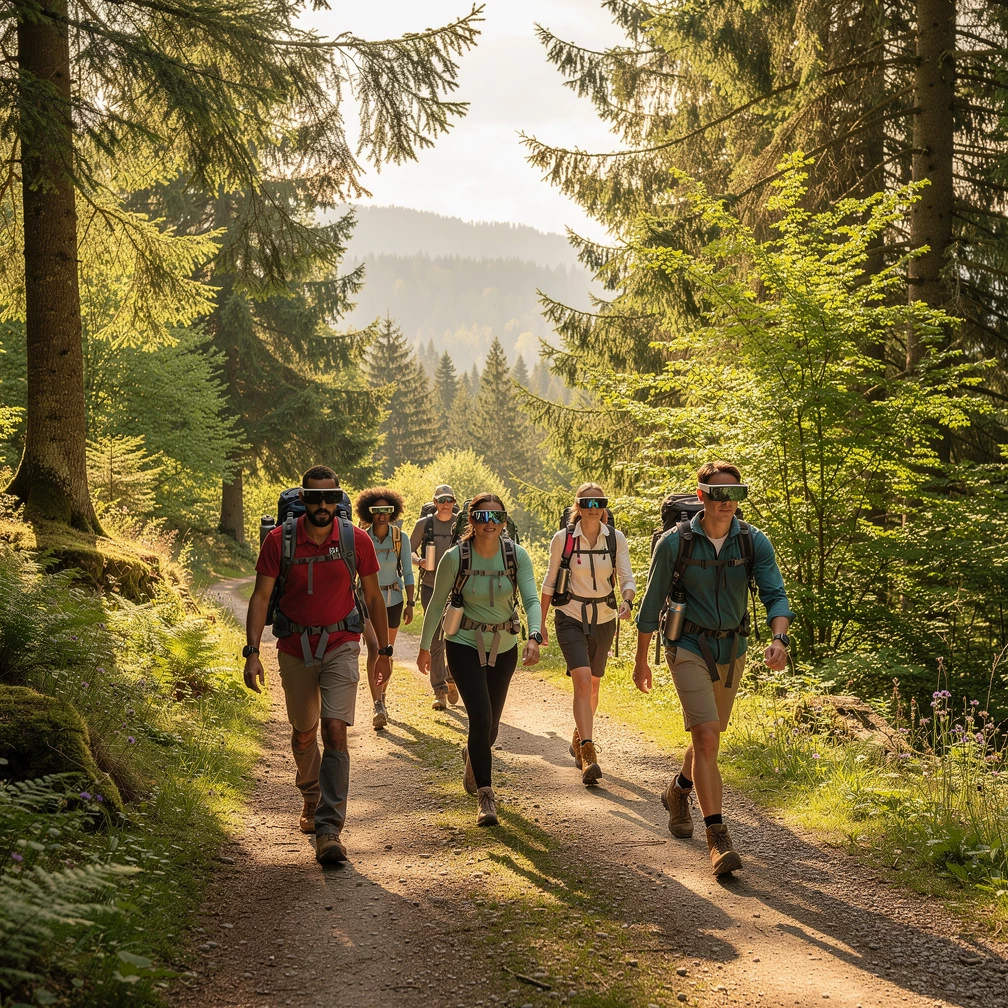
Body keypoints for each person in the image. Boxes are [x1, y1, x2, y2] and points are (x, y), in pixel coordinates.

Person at [633, 461, 794, 876]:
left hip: (732, 648)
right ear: (702, 495)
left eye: (735, 493)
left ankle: (678, 789)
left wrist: (779, 639)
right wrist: (640, 659)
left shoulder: (753, 542)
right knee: (705, 736)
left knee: (711, 735)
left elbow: (775, 594)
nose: (728, 503)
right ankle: (717, 838)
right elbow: (651, 606)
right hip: (686, 645)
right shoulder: (675, 543)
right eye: (719, 494)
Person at [244, 465, 391, 865]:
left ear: (340, 500)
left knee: (335, 730)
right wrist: (252, 651)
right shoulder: (279, 541)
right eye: (314, 497)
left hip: (342, 643)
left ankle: (329, 830)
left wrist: (386, 652)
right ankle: (310, 794)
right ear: (303, 499)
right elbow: (260, 598)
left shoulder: (355, 540)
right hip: (294, 646)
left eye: (330, 497)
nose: (323, 504)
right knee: (304, 733)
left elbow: (375, 599)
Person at [416, 493, 542, 826]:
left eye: (497, 517)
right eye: (483, 517)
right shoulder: (455, 557)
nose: (490, 524)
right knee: (481, 716)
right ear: (471, 520)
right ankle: (486, 797)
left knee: (492, 725)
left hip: (505, 646)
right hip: (463, 643)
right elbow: (436, 603)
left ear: (504, 521)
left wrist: (535, 635)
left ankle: (473, 755)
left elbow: (530, 597)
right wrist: (426, 646)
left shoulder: (517, 556)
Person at [540, 483, 636, 786]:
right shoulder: (563, 539)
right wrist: (538, 625)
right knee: (581, 681)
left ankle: (580, 734)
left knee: (593, 685)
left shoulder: (615, 539)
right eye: (587, 502)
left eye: (599, 502)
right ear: (578, 506)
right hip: (569, 616)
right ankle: (588, 753)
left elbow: (626, 577)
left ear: (604, 506)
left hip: (605, 618)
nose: (593, 507)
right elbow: (550, 582)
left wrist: (628, 599)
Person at [355, 488, 415, 731]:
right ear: (369, 512)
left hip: (394, 600)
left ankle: (382, 694)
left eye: (386, 510)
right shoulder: (361, 537)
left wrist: (411, 603)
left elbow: (409, 572)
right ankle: (377, 703)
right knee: (374, 648)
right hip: (368, 601)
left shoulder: (401, 538)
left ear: (393, 511)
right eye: (376, 510)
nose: (381, 515)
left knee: (386, 651)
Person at [409, 484, 460, 711]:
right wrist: (419, 561)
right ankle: (439, 690)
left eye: (449, 499)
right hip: (431, 587)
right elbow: (408, 550)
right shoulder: (424, 525)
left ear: (454, 501)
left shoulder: (462, 524)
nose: (446, 503)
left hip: (458, 589)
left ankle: (452, 676)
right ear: (435, 502)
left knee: (458, 638)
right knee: (436, 640)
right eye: (441, 500)